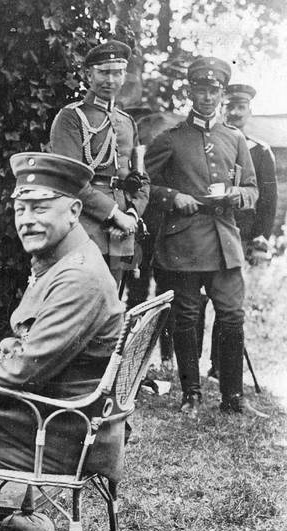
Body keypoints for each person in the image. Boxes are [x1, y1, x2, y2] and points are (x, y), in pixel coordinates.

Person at [0, 152, 125, 499]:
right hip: (51, 417)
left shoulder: (79, 277)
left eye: (40, 208)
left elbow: (22, 370)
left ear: (74, 211)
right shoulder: (62, 261)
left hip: (57, 433)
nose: (27, 221)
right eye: (20, 209)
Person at [145, 57, 261, 416]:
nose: (208, 97)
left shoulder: (235, 138)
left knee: (232, 316)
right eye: (201, 90)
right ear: (190, 92)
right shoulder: (171, 139)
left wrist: (239, 195)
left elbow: (253, 188)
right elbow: (144, 185)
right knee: (186, 318)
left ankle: (233, 397)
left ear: (222, 94)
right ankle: (191, 394)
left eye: (214, 90)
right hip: (184, 242)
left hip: (225, 241)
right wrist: (172, 197)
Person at [48, 39, 150, 282]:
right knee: (82, 296)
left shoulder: (127, 121)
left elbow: (142, 179)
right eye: (104, 72)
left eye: (117, 73)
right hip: (84, 226)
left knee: (112, 299)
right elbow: (70, 179)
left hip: (122, 231)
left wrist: (132, 215)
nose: (110, 80)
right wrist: (114, 214)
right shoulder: (71, 117)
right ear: (88, 75)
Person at [203, 83, 279, 379]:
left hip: (239, 236)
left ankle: (219, 366)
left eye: (240, 107)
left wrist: (260, 239)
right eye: (229, 106)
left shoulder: (260, 151)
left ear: (250, 111)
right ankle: (187, 366)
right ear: (221, 108)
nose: (234, 112)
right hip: (205, 232)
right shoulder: (207, 144)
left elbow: (268, 201)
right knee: (196, 298)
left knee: (229, 303)